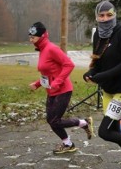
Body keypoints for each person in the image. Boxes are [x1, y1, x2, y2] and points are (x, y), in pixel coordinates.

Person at [83, 1, 121, 169]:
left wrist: (100, 76)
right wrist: (91, 72)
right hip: (107, 90)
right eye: (101, 15)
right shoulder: (98, 36)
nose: (105, 18)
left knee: (104, 131)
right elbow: (98, 63)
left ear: (115, 15)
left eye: (109, 15)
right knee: (114, 128)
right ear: (96, 17)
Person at [27, 21, 93, 154]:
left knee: (54, 120)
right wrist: (37, 84)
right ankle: (68, 143)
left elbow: (69, 64)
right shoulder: (42, 49)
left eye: (33, 37)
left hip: (63, 90)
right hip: (51, 91)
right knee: (51, 121)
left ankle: (84, 123)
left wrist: (57, 82)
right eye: (30, 37)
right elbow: (48, 72)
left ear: (42, 36)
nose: (30, 40)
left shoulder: (51, 48)